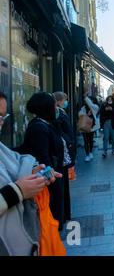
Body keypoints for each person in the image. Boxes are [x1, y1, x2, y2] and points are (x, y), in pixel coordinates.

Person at [0, 91, 62, 255]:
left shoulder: (2, 149)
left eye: (2, 117)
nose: (1, 123)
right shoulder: (38, 127)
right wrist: (18, 191)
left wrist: (35, 172)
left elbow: (19, 162)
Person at [13, 92, 68, 231]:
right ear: (47, 108)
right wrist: (53, 181)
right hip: (50, 179)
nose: (57, 108)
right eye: (54, 105)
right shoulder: (39, 128)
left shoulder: (46, 124)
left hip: (55, 175)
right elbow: (44, 157)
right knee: (52, 217)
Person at [53, 91, 74, 222]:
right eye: (65, 100)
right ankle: (63, 217)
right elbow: (64, 132)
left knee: (64, 188)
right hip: (63, 157)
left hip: (65, 156)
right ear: (59, 101)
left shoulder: (60, 113)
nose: (66, 102)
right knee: (62, 188)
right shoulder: (58, 114)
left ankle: (65, 215)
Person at [79, 95, 100, 162]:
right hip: (84, 125)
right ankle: (87, 154)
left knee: (90, 140)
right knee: (85, 141)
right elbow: (79, 114)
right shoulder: (84, 108)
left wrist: (85, 97)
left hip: (92, 126)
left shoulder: (95, 107)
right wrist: (86, 115)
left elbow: (91, 105)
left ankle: (90, 152)